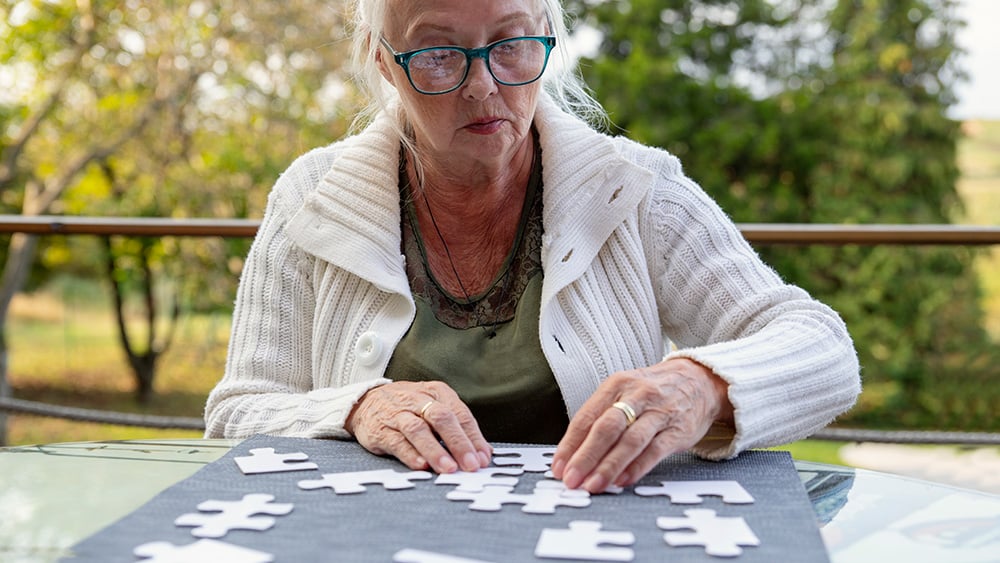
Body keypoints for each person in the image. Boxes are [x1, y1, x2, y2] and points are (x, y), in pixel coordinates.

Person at [204, 0, 861, 493]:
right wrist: (354, 406)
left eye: (512, 43)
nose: (483, 83)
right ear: (385, 63)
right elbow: (237, 412)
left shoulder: (634, 188)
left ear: (547, 33)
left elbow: (823, 349)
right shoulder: (311, 197)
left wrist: (702, 385)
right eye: (438, 53)